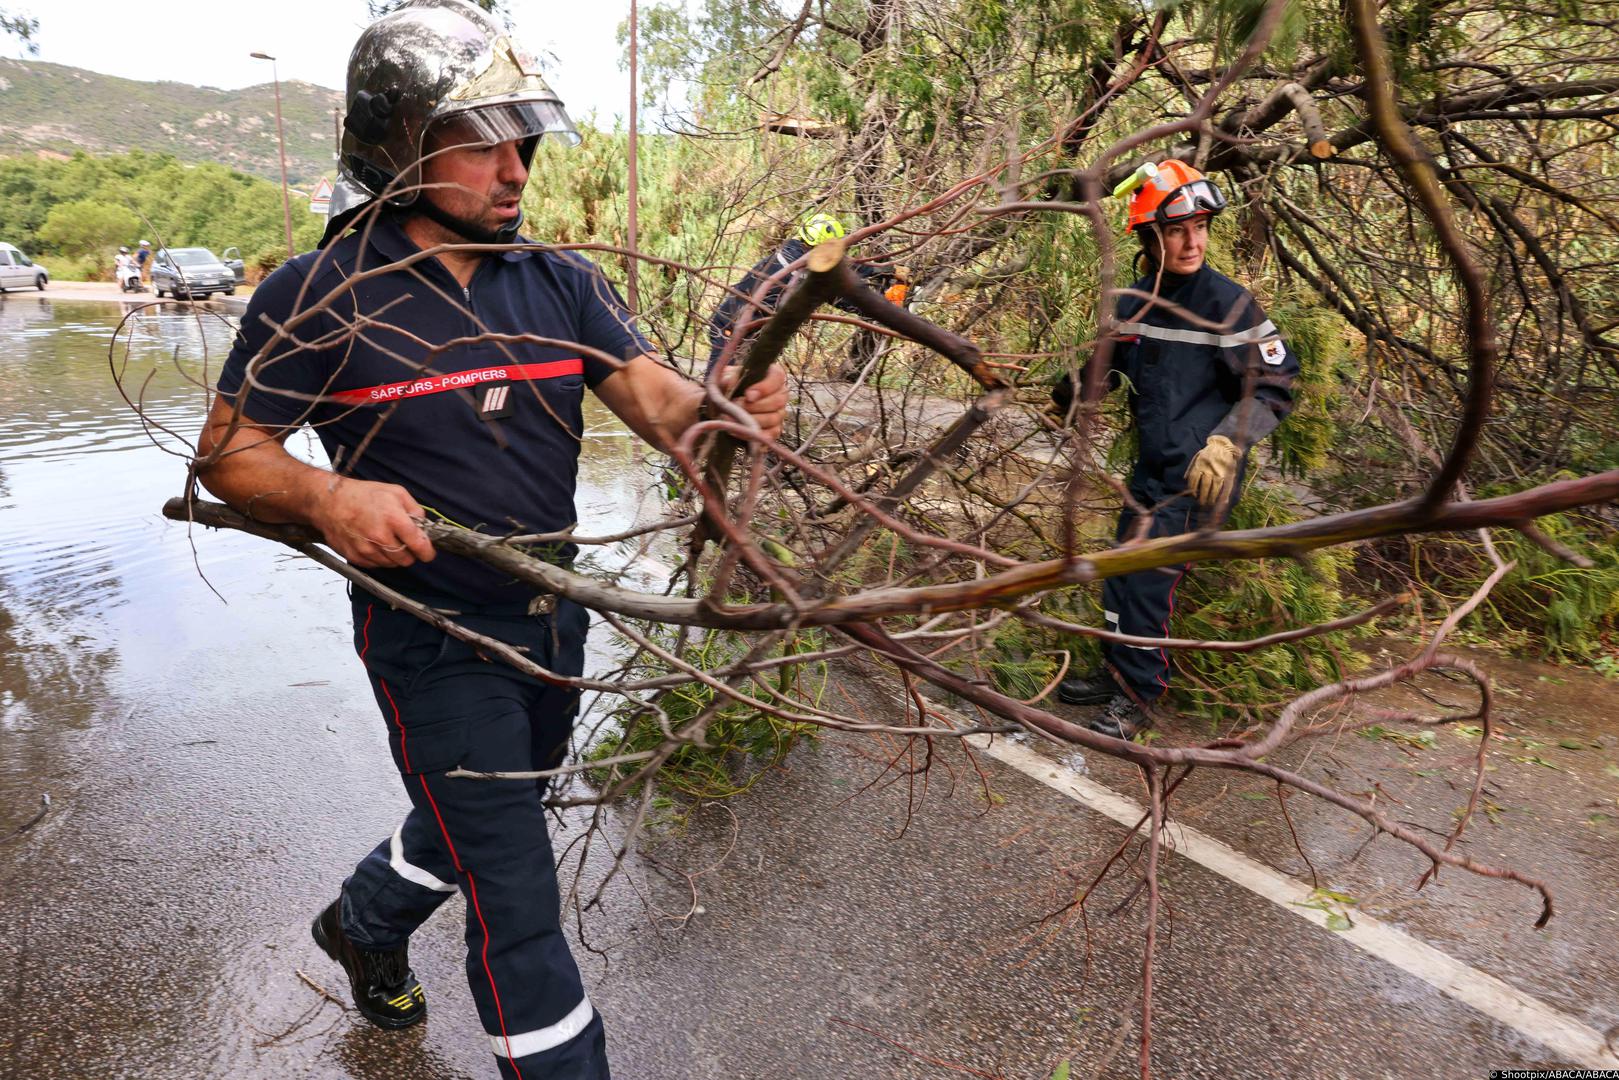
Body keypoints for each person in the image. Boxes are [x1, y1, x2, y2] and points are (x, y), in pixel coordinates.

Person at [194, 2, 787, 1076]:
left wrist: (725, 406)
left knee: (484, 816)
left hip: (551, 616)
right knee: (517, 898)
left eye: (525, 142)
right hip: (429, 630)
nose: (515, 169)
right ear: (401, 144)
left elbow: (657, 402)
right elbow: (228, 456)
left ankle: (364, 921)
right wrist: (330, 499)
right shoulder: (322, 291)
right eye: (483, 142)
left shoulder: (561, 281)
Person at [1050, 159, 1299, 739]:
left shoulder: (1229, 304)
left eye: (1202, 227)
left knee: (1146, 578)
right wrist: (1064, 398)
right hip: (1152, 466)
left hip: (1200, 475)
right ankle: (1118, 669)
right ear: (1149, 235)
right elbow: (1104, 368)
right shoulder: (1134, 301)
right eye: (1177, 230)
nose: (1193, 241)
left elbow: (1275, 382)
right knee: (1117, 571)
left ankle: (1140, 694)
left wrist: (1227, 442)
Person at [706, 211, 901, 375]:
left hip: (751, 333)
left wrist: (881, 278)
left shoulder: (791, 257)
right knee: (718, 385)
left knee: (742, 388)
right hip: (731, 326)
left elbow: (839, 283)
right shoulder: (797, 267)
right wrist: (885, 302)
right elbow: (839, 284)